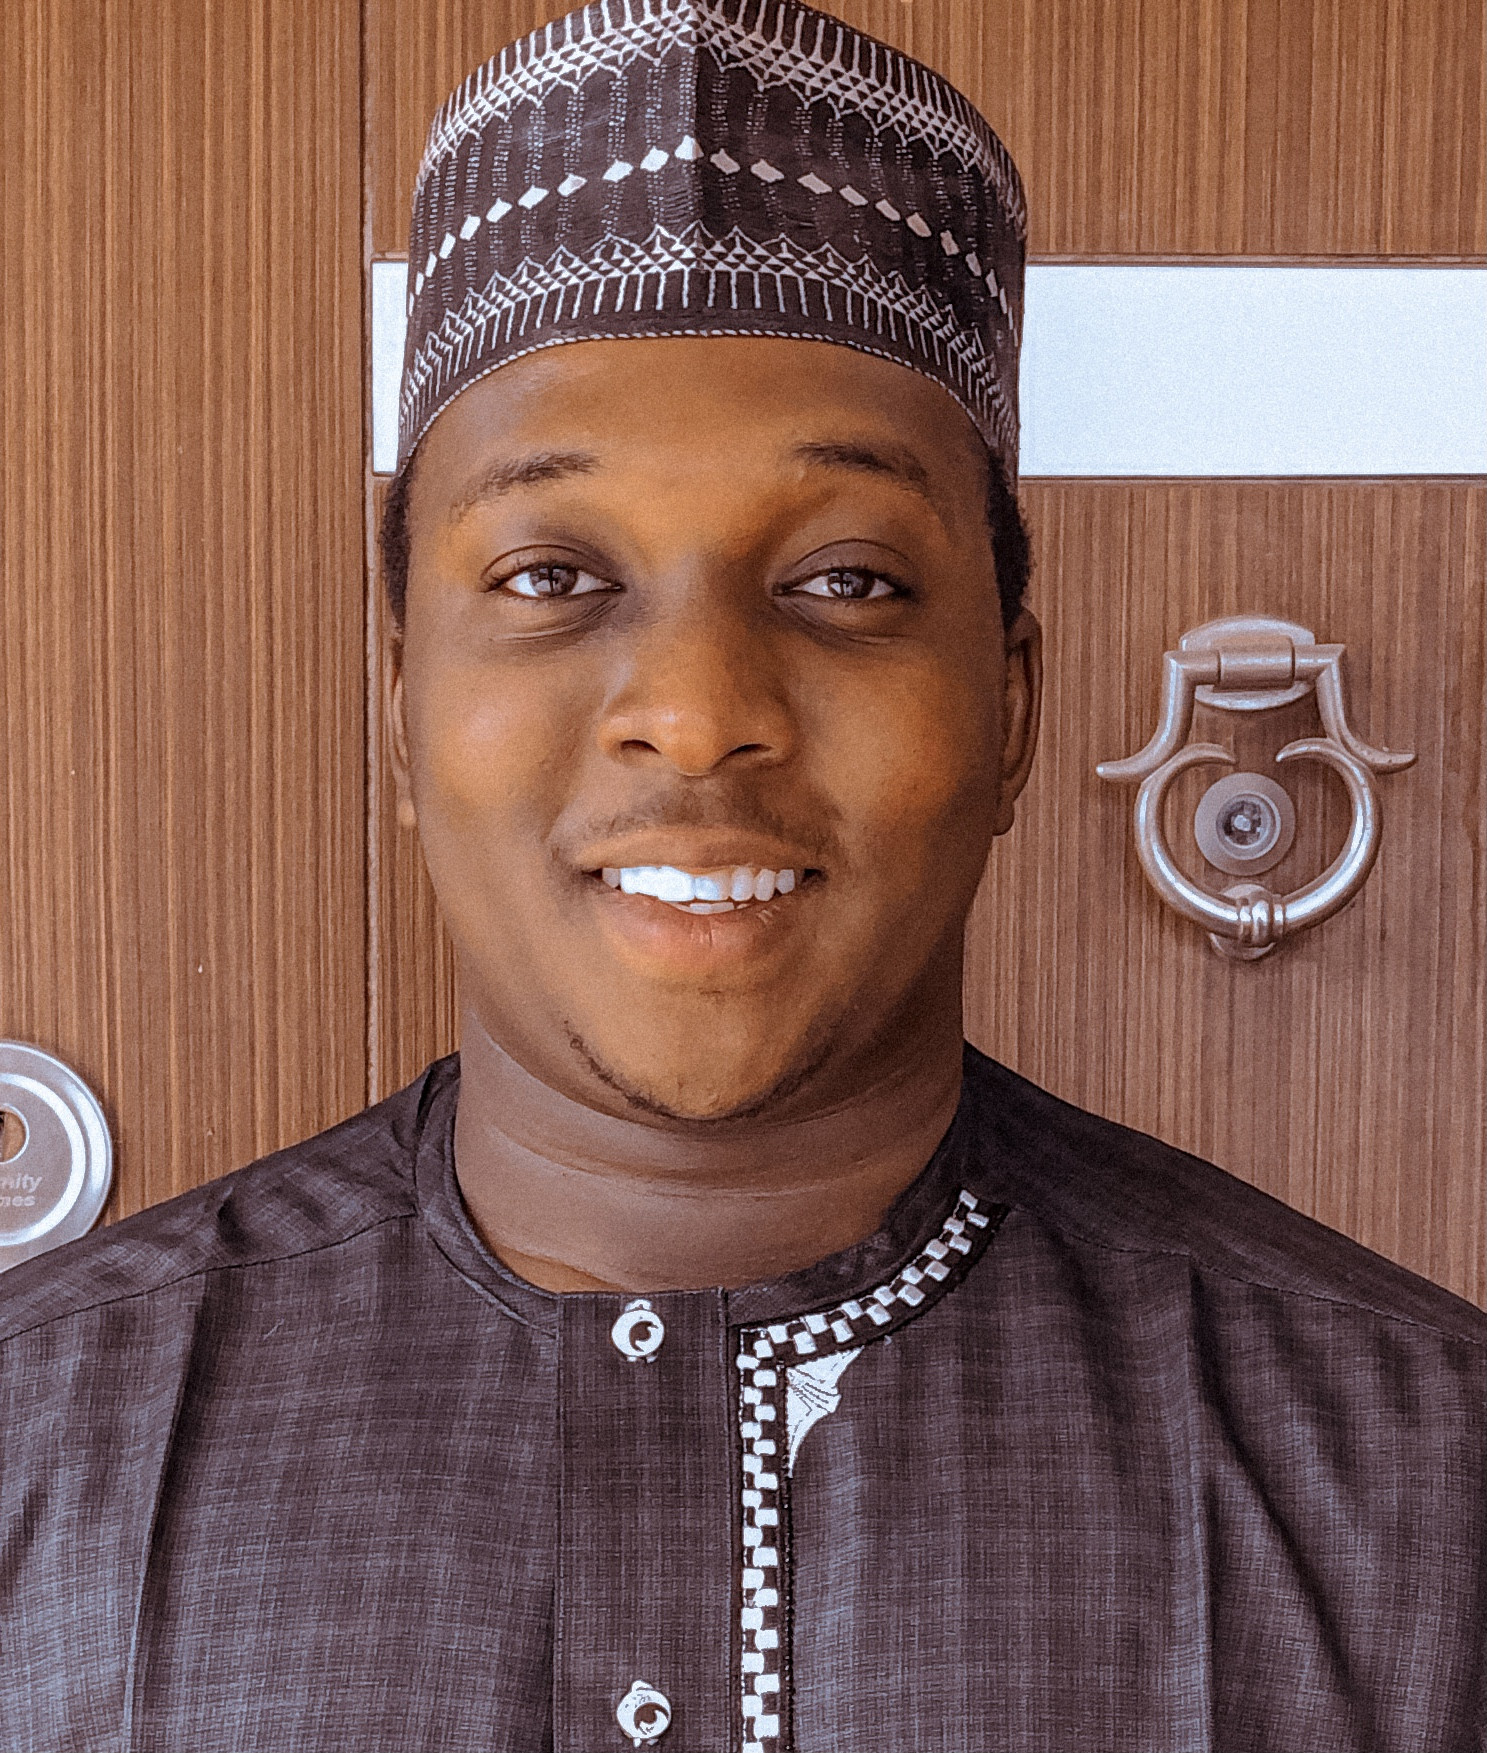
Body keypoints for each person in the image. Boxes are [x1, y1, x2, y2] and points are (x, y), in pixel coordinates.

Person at [2, 3, 1482, 1750]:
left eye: (845, 580)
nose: (698, 714)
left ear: (1010, 707)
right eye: (552, 576)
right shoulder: (41, 1443)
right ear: (402, 710)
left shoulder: (1422, 1491)